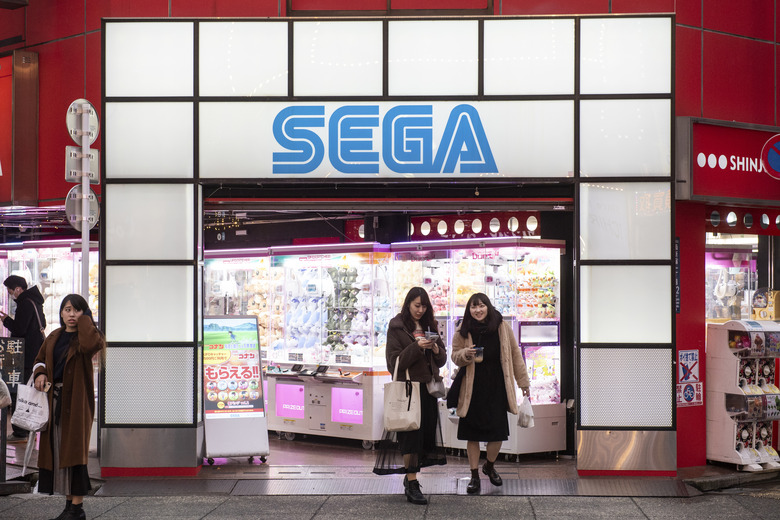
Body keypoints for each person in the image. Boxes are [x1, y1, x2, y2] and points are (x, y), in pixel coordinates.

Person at [32, 294, 105, 520]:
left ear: (84, 313)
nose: (71, 314)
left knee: (74, 453)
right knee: (58, 451)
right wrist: (40, 373)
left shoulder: (88, 336)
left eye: (77, 310)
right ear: (61, 312)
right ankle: (69, 506)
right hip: (53, 401)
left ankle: (77, 507)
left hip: (77, 404)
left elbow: (91, 345)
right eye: (67, 309)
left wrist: (87, 319)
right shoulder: (53, 336)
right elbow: (40, 360)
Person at [450, 293, 530, 495]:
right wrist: (465, 354)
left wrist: (523, 383)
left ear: (488, 306)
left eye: (481, 306)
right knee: (473, 435)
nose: (477, 310)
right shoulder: (463, 329)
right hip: (472, 389)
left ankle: (490, 465)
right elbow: (454, 356)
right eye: (473, 307)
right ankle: (474, 475)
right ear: (469, 310)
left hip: (497, 387)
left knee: (498, 433)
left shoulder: (502, 327)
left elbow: (515, 355)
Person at [373, 286, 447, 505]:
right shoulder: (396, 326)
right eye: (417, 305)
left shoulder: (429, 325)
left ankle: (411, 478)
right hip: (407, 391)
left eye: (424, 306)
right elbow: (393, 362)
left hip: (427, 390)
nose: (420, 310)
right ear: (408, 304)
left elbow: (442, 360)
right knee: (410, 436)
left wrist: (434, 349)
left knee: (423, 437)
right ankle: (413, 482)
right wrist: (416, 347)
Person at [1, 275, 46, 440]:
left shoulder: (24, 304)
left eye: (10, 291)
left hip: (24, 356)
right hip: (33, 354)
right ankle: (26, 430)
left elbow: (19, 330)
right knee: (26, 393)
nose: (11, 294)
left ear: (18, 289)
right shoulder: (35, 302)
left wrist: (6, 320)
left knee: (19, 393)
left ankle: (21, 432)